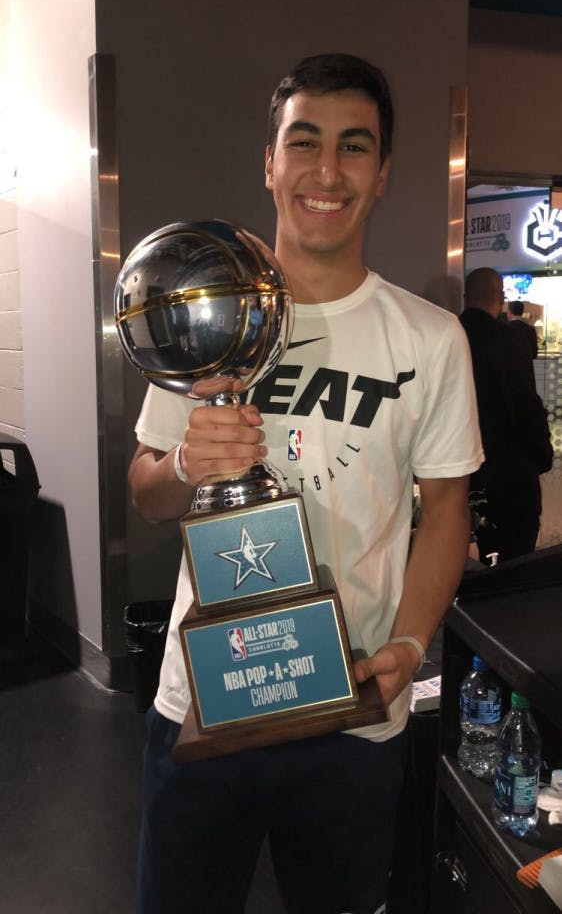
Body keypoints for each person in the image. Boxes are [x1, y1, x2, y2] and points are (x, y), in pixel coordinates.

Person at [129, 53, 483, 914]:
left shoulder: (429, 338)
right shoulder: (205, 307)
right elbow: (146, 491)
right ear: (270, 162)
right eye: (304, 142)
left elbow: (445, 511)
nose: (327, 171)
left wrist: (408, 647)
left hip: (351, 701)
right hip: (205, 697)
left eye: (354, 146)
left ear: (383, 171)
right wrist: (185, 466)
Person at [460, 267, 553, 565]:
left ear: (465, 297)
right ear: (500, 298)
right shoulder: (506, 341)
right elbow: (523, 404)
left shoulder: (448, 336)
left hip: (459, 470)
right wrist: (541, 455)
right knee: (512, 562)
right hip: (507, 473)